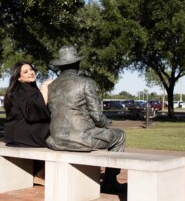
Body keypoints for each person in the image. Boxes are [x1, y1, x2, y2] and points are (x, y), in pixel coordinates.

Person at [46, 45, 127, 194]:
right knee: (120, 136)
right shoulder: (85, 82)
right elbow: (97, 116)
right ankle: (110, 182)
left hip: (55, 140)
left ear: (59, 67)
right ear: (77, 64)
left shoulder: (52, 86)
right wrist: (106, 123)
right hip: (81, 139)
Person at [4, 62, 52, 185]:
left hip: (24, 132)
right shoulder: (19, 91)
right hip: (21, 134)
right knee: (54, 141)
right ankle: (40, 173)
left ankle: (41, 172)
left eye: (31, 69)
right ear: (19, 77)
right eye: (25, 72)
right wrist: (44, 89)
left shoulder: (29, 89)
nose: (31, 72)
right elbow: (33, 113)